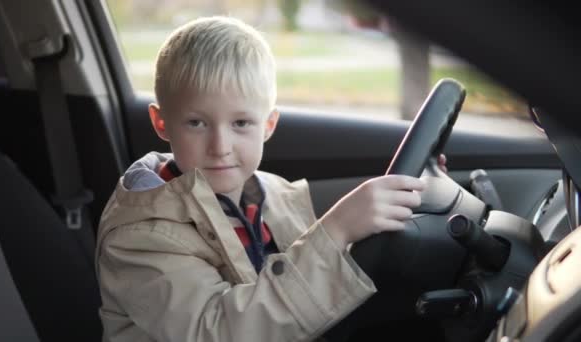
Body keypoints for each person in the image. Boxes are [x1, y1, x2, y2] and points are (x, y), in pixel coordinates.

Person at [95, 15, 446, 342]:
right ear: (161, 123)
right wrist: (335, 230)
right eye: (196, 123)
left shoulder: (266, 192)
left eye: (241, 123)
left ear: (268, 125)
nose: (220, 147)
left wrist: (400, 203)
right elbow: (215, 330)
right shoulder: (142, 235)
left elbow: (299, 275)